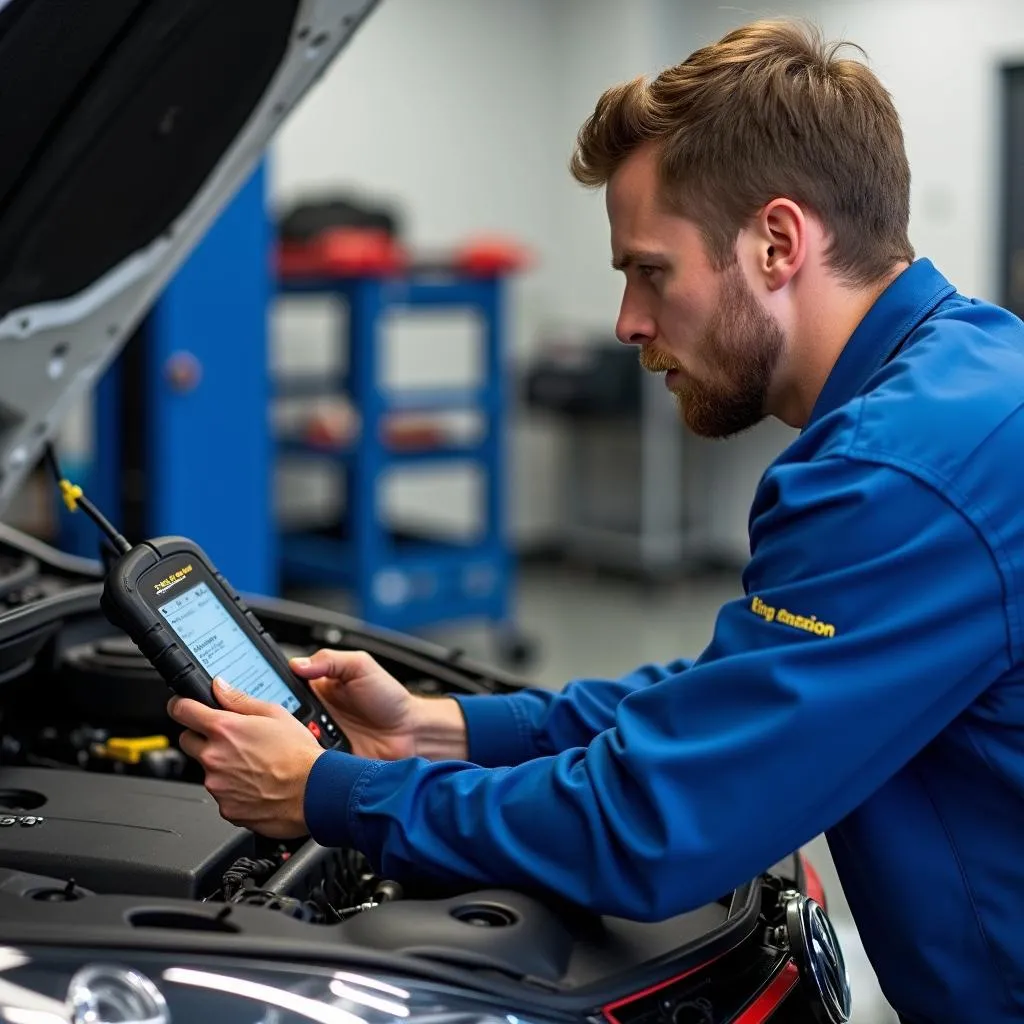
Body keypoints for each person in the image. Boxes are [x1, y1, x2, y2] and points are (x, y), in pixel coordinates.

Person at [169, 18, 1024, 1023]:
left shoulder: (897, 476)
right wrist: (439, 730)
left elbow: (654, 826)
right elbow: (733, 696)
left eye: (649, 269)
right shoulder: (971, 375)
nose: (626, 320)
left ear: (777, 242)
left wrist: (329, 794)